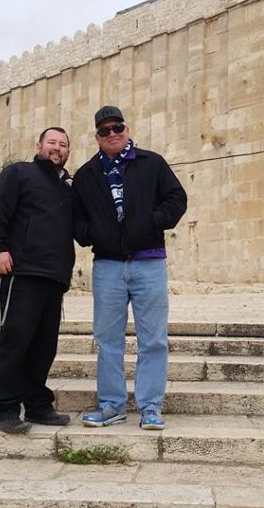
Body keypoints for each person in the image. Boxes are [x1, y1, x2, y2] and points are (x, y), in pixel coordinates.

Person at [71, 105, 187, 430]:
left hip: (149, 263)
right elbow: (76, 219)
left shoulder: (152, 163)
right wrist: (93, 235)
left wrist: (152, 223)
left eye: (117, 127)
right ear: (97, 136)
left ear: (126, 128)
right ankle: (112, 405)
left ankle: (151, 407)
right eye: (105, 130)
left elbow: (176, 199)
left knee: (154, 339)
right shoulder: (85, 176)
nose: (113, 134)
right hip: (107, 265)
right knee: (108, 340)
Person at [0, 127, 75, 434]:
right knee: (15, 340)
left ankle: (37, 405)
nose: (57, 148)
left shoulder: (67, 188)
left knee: (43, 346)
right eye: (52, 142)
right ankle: (5, 409)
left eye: (62, 144)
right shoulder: (18, 173)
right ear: (39, 145)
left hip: (53, 277)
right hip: (20, 273)